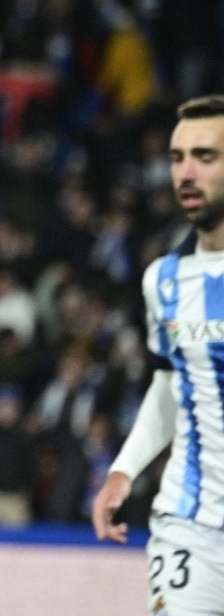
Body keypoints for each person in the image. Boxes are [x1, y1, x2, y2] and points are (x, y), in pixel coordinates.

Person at [92, 94, 224, 616]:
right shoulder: (163, 281)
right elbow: (171, 382)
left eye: (206, 157)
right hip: (189, 525)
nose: (186, 173)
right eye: (177, 158)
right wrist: (123, 470)